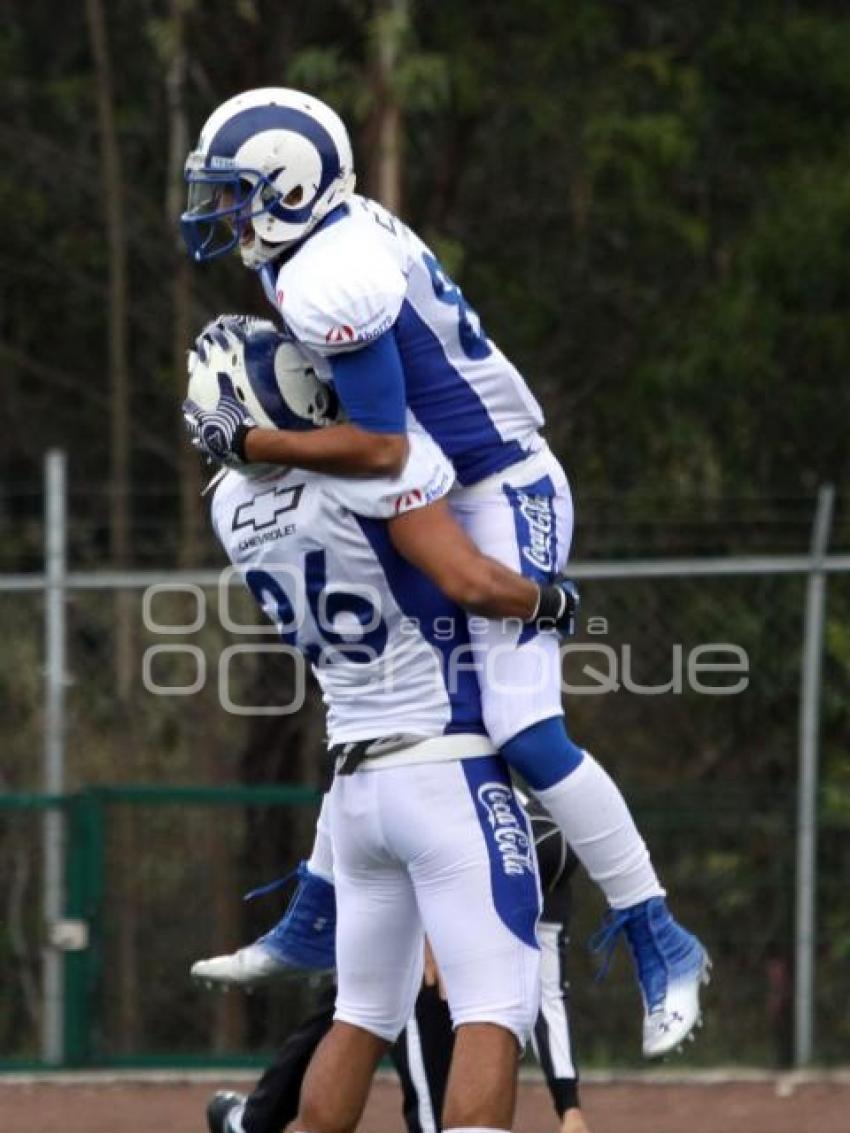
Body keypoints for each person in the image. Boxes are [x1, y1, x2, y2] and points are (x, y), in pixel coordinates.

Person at [181, 87, 710, 1059]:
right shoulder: (315, 245)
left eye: (235, 194)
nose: (221, 214)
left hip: (498, 482)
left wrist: (249, 436)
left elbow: (380, 447)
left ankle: (656, 931)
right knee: (383, 693)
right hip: (439, 474)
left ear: (289, 191)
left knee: (520, 728)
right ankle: (313, 911)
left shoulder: (325, 274)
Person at [200, 394, 584, 1133]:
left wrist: (264, 434)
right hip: (443, 764)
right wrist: (554, 601)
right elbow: (472, 580)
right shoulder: (374, 473)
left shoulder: (229, 501)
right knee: (497, 1003)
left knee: (359, 1013)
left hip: (354, 780)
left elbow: (304, 454)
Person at [194, 801, 611, 1133]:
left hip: (423, 874)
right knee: (410, 991)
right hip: (384, 862)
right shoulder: (460, 818)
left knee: (352, 1016)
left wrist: (570, 1110)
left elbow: (548, 992)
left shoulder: (549, 864)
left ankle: (246, 1127)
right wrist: (427, 931)